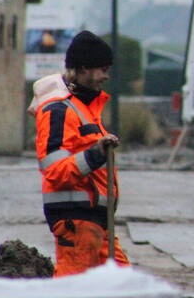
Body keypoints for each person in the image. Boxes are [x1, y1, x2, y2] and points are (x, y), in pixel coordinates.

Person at [35, 30, 130, 277]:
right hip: (76, 221)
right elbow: (55, 171)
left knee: (122, 285)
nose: (106, 76)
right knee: (72, 294)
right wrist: (96, 153)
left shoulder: (84, 109)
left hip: (96, 221)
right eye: (102, 69)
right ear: (83, 68)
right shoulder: (58, 110)